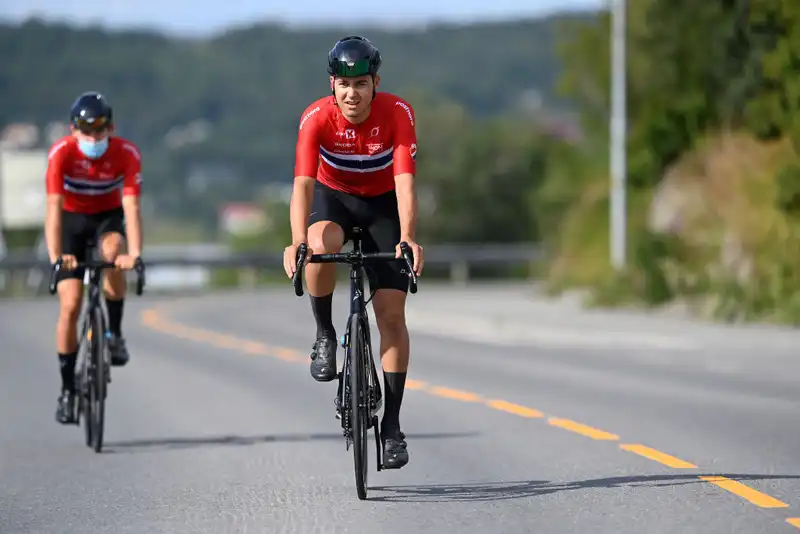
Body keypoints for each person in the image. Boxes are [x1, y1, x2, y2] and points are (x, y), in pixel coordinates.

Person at [283, 35, 424, 469]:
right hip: (335, 199)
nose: (352, 94)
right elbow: (303, 186)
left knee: (392, 316)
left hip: (382, 204)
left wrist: (409, 237)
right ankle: (325, 333)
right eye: (343, 85)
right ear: (332, 84)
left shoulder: (397, 113)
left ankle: (393, 426)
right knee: (319, 244)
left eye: (361, 83)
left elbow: (404, 182)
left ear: (375, 82)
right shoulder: (316, 118)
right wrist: (295, 240)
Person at [45, 91, 144, 425]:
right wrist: (57, 256)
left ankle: (113, 334)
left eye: (99, 131)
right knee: (70, 304)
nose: (93, 138)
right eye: (86, 132)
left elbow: (131, 207)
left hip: (107, 218)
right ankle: (68, 388)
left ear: (110, 128)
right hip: (72, 222)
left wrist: (136, 254)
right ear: (74, 130)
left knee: (114, 254)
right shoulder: (60, 154)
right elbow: (53, 212)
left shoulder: (126, 153)